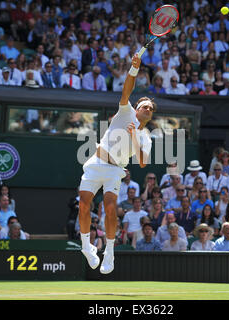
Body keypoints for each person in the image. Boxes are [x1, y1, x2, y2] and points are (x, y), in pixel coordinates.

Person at [78, 52, 155, 274]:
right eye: (145, 106)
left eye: (150, 109)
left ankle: (109, 253)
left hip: (114, 171)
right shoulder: (125, 111)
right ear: (137, 108)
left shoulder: (146, 137)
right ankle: (86, 247)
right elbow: (126, 89)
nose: (147, 110)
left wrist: (133, 137)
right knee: (84, 205)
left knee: (110, 209)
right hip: (95, 163)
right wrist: (134, 68)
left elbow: (142, 162)